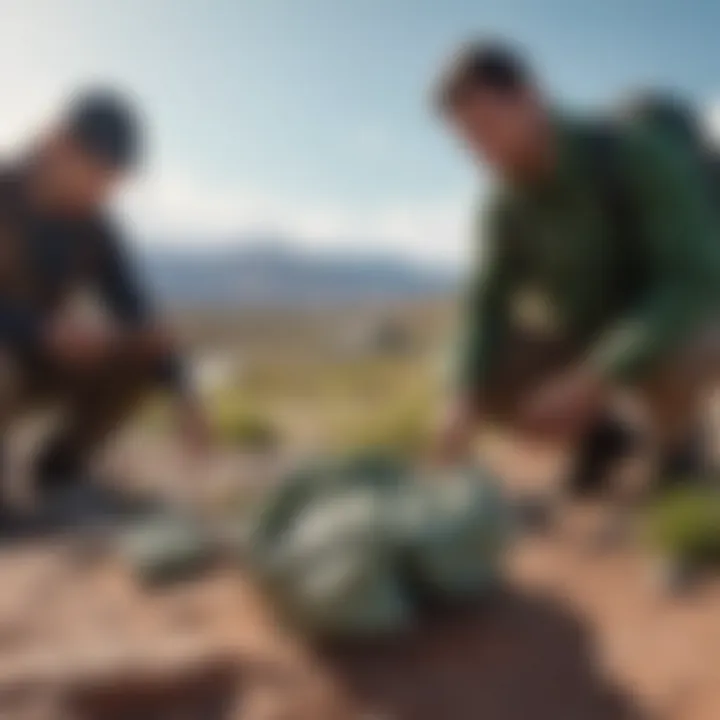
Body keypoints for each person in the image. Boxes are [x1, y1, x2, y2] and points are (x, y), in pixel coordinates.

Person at [433, 40, 720, 495]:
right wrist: (462, 399)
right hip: (590, 337)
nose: (479, 151)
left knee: (685, 344)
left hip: (673, 323)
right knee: (482, 369)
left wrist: (593, 379)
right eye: (467, 139)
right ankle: (602, 438)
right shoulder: (504, 208)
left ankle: (678, 447)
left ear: (530, 98)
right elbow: (486, 307)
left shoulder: (636, 153)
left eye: (487, 126)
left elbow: (693, 282)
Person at [0, 89, 210, 506]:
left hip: (38, 362)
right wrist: (35, 328)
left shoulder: (94, 228)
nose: (103, 193)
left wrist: (184, 391)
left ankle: (60, 471)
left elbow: (137, 311)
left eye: (113, 183)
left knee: (140, 352)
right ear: (57, 144)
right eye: (97, 175)